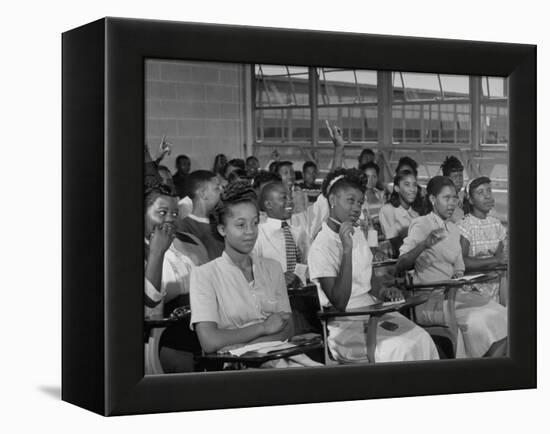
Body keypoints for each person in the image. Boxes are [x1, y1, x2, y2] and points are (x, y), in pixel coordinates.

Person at [307, 169, 439, 363]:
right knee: (401, 348)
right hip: (346, 325)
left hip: (372, 310)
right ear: (333, 200)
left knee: (422, 338)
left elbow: (368, 280)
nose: (356, 208)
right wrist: (346, 250)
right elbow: (340, 302)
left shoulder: (358, 233)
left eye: (359, 203)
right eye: (350, 201)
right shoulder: (321, 245)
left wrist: (384, 291)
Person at [190, 181, 320, 368]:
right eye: (241, 225)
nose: (250, 232)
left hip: (278, 357)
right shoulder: (204, 275)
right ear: (222, 229)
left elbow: (288, 326)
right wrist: (264, 327)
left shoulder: (272, 268)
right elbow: (209, 341)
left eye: (255, 223)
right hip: (236, 369)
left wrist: (245, 347)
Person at [396, 176, 507, 358]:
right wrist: (424, 244)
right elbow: (401, 264)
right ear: (432, 199)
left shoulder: (454, 229)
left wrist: (458, 274)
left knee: (502, 314)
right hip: (430, 300)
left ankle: (490, 372)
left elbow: (459, 267)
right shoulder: (422, 224)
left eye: (454, 198)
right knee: (481, 321)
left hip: (456, 294)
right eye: (446, 198)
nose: (452, 204)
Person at [144, 183, 202, 372]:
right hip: (160, 337)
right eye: (162, 212)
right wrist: (157, 252)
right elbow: (147, 307)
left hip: (198, 326)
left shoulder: (190, 243)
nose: (170, 219)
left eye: (175, 214)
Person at [458, 177, 508, 303]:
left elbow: (501, 257)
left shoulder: (496, 224)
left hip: (494, 289)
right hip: (471, 291)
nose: (487, 196)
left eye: (489, 191)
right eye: (480, 193)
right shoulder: (465, 225)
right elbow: (462, 262)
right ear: (470, 200)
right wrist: (496, 260)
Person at [253, 181, 309, 289]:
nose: (290, 202)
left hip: (298, 293)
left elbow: (305, 261)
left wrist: (299, 276)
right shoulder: (259, 234)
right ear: (268, 204)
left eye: (291, 198)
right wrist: (276, 278)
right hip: (271, 294)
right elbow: (252, 269)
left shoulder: (298, 232)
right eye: (284, 198)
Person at [178, 170, 225, 261]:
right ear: (203, 194)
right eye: (217, 188)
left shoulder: (219, 220)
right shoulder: (185, 227)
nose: (222, 191)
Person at [378, 170, 424, 257]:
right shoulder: (388, 210)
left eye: (414, 185)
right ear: (397, 188)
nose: (412, 189)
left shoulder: (416, 214)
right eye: (407, 185)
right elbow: (395, 244)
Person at [441, 156, 466, 223]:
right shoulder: (444, 202)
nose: (459, 180)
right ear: (446, 179)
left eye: (460, 176)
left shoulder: (460, 199)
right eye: (455, 177)